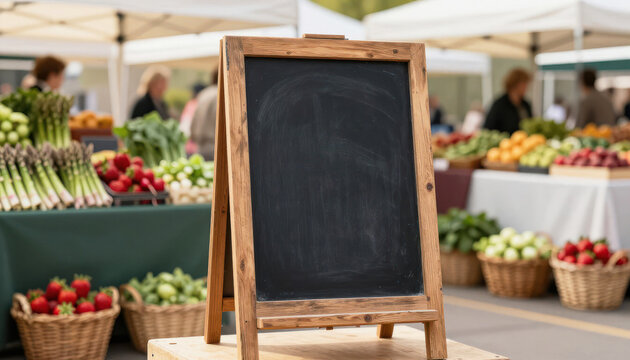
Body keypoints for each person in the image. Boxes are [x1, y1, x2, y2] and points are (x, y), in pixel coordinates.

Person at [483, 68, 532, 134]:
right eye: (524, 83)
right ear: (515, 84)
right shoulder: (499, 105)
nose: (526, 87)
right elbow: (487, 128)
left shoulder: (525, 104)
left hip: (524, 143)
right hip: (505, 143)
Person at [190, 69, 219, 160]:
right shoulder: (220, 93)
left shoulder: (204, 93)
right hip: (215, 147)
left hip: (200, 147)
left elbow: (193, 121)